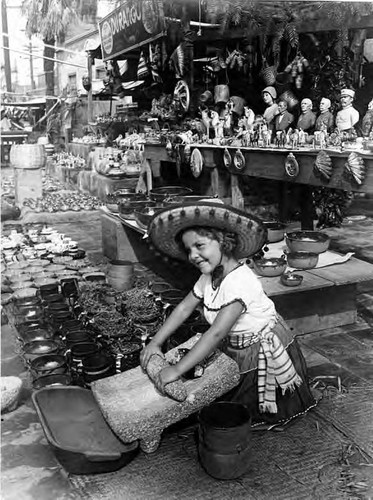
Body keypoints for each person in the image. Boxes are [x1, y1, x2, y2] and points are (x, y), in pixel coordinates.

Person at [141, 202, 316, 426]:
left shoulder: (239, 281)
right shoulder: (209, 277)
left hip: (260, 346)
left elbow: (216, 333)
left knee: (245, 409)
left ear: (224, 241)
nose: (193, 255)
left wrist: (176, 370)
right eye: (188, 250)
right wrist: (156, 342)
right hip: (237, 342)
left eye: (200, 245)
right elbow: (184, 308)